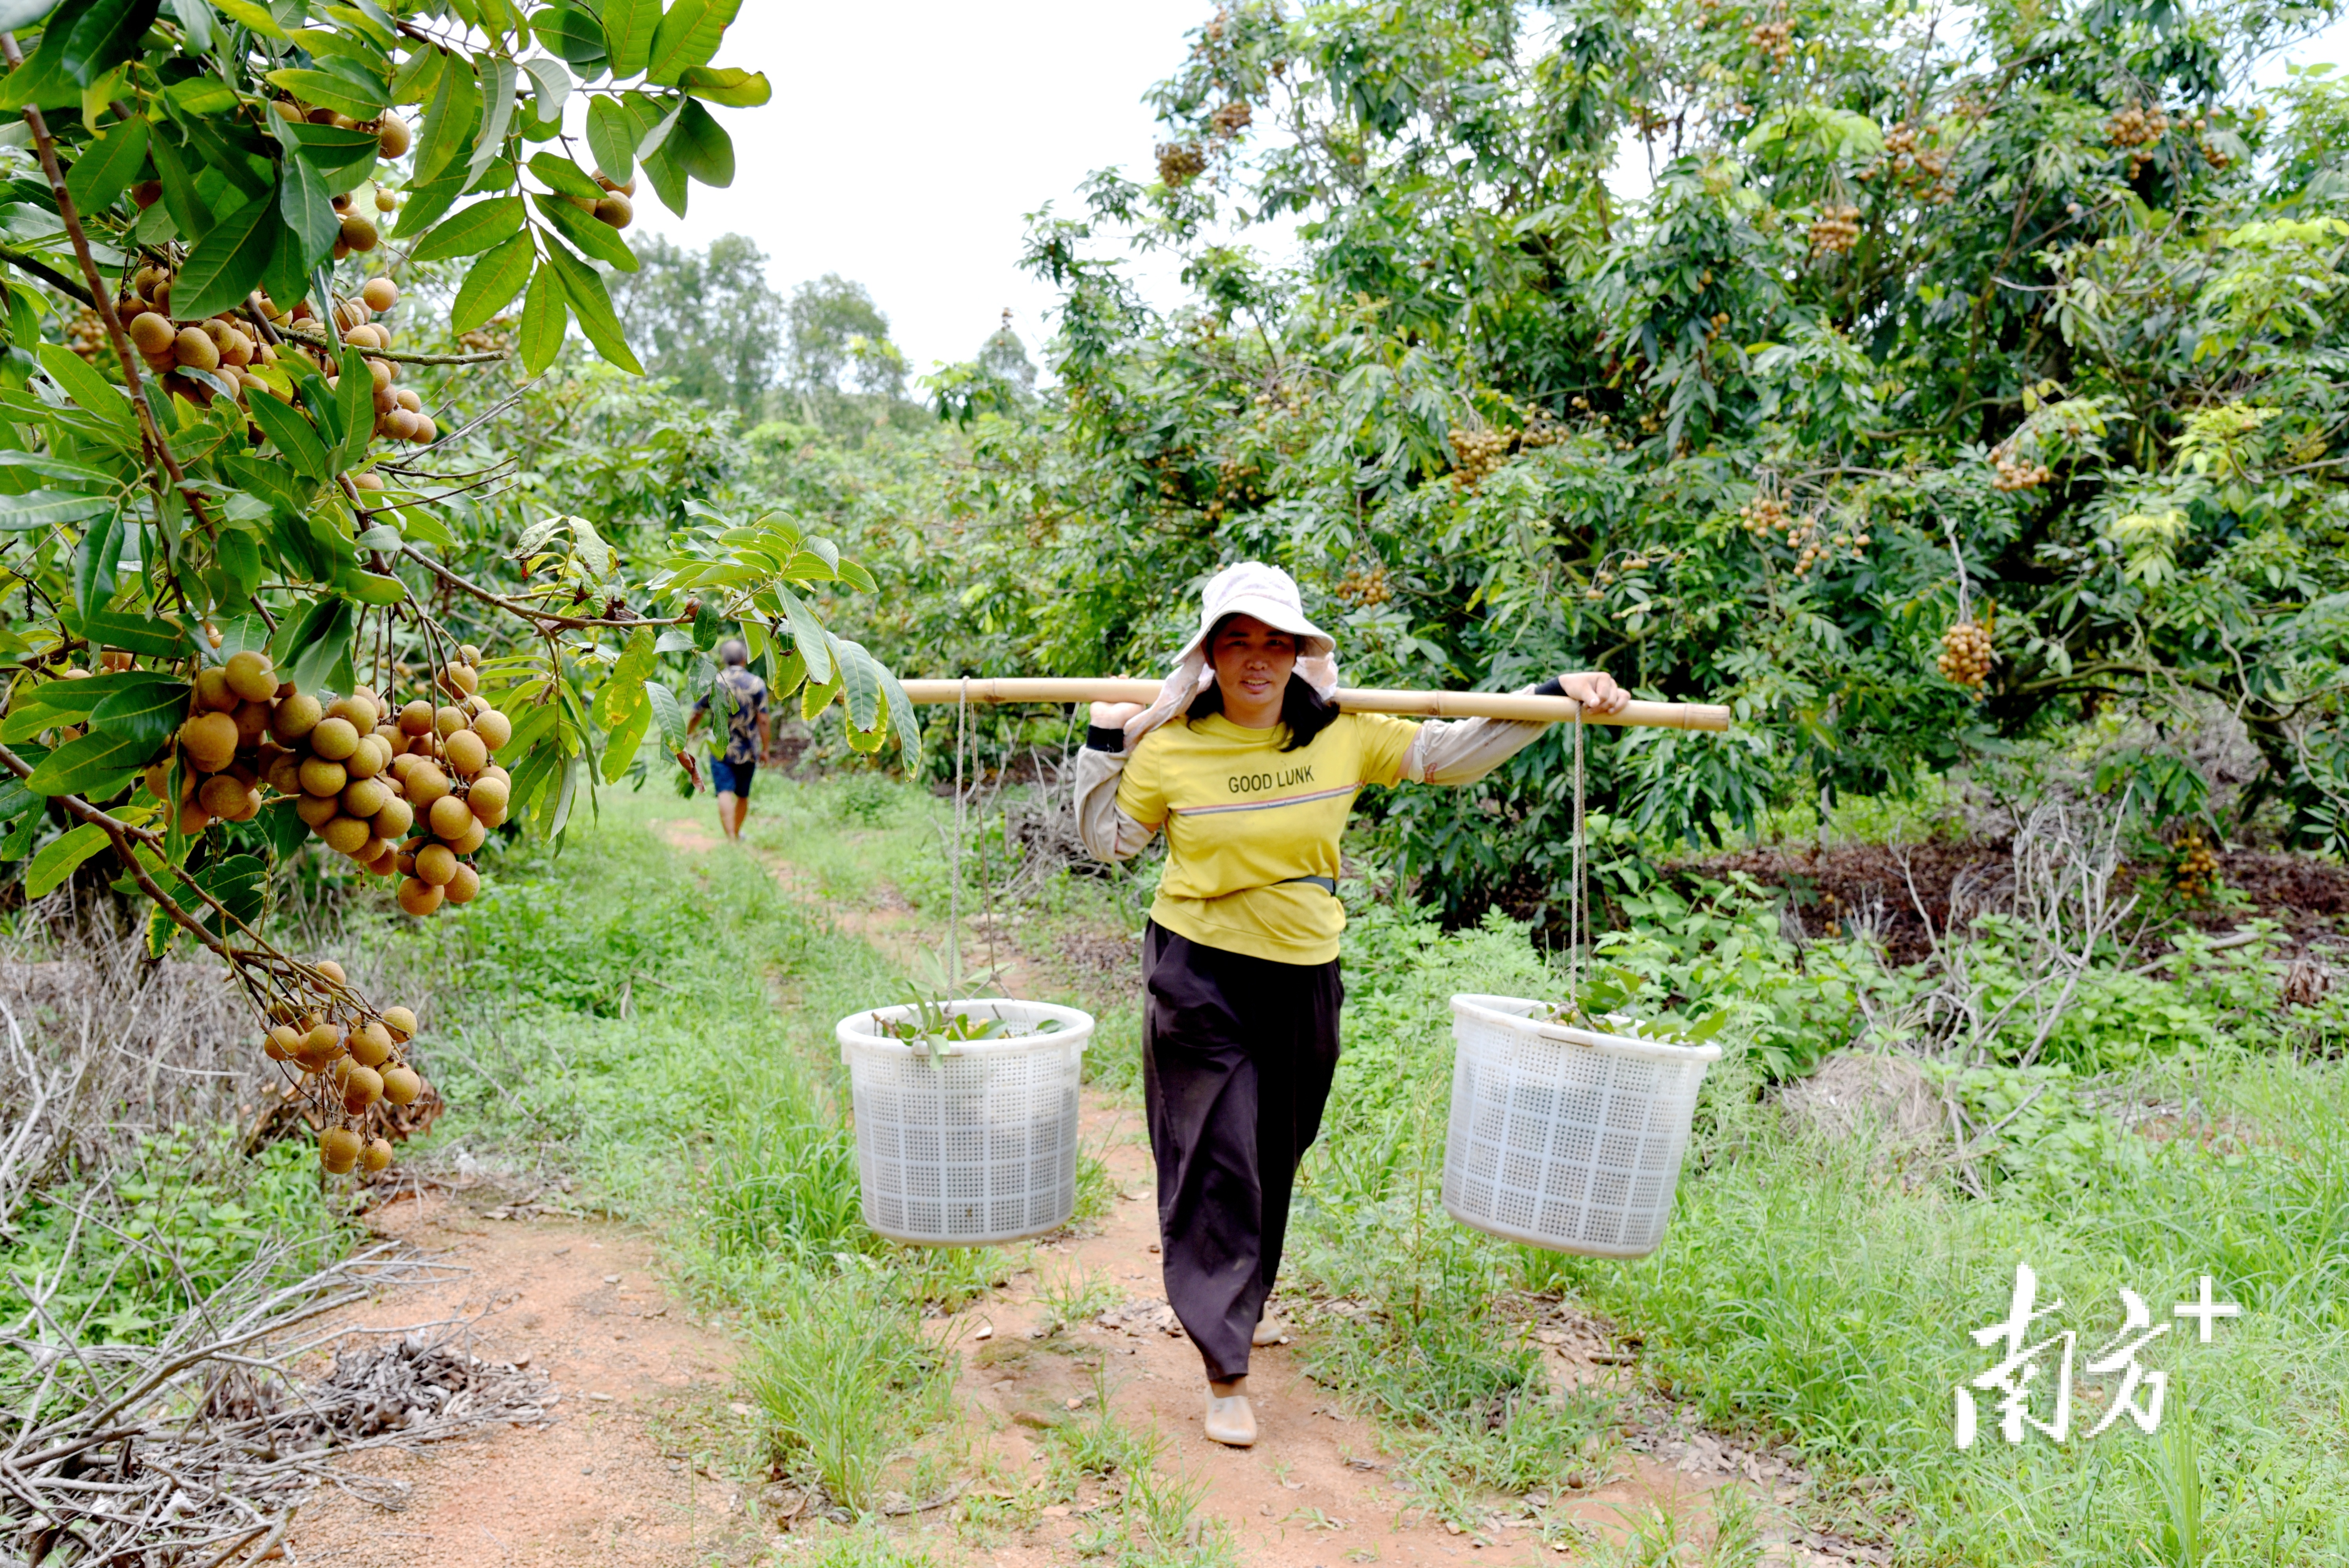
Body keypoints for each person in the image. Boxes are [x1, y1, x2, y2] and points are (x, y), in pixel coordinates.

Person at [1075, 561, 1628, 1450]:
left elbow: (1447, 753)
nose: (1258, 659)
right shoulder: (1172, 748)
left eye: (1276, 641)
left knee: (1271, 1149)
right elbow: (1108, 842)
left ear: (1301, 652)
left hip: (1304, 971)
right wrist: (1106, 743)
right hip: (1197, 968)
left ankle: (1242, 1302)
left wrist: (1549, 694)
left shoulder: (1343, 735)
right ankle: (1226, 1366)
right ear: (1210, 653)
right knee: (1218, 1156)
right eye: (1239, 640)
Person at [686, 638, 771, 841]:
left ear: (724, 660)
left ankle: (731, 836)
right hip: (748, 749)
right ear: (744, 659)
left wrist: (688, 735)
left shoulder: (714, 682)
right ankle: (736, 834)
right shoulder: (756, 684)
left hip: (720, 747)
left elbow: (696, 713)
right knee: (743, 794)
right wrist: (766, 749)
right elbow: (764, 720)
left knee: (724, 791)